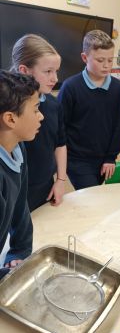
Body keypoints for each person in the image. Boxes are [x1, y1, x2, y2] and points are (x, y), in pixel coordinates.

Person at [58, 29, 120, 190]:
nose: (107, 65)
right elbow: (60, 126)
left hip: (105, 159)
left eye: (110, 60)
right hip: (77, 160)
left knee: (98, 198)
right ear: (84, 57)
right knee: (92, 196)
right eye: (100, 60)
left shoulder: (118, 88)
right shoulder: (70, 87)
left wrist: (110, 158)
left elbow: (118, 124)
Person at [11, 34, 67, 211]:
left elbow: (60, 143)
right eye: (48, 71)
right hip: (15, 189)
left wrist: (60, 180)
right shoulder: (7, 109)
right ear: (24, 70)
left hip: (44, 187)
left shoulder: (52, 104)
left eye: (56, 71)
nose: (55, 78)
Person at [0, 71, 43, 278]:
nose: (41, 116)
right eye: (35, 110)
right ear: (10, 119)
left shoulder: (17, 147)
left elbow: (19, 205)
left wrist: (19, 251)